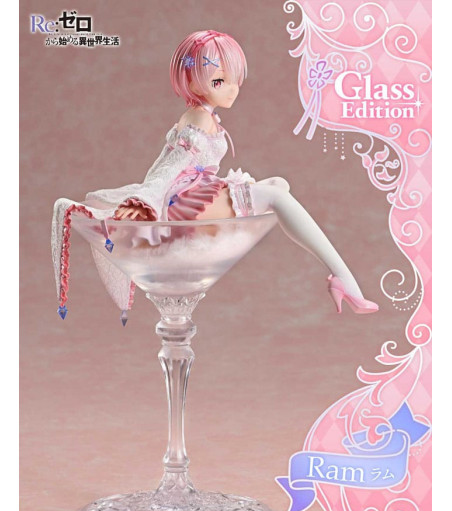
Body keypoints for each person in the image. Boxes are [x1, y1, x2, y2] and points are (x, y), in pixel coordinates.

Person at [51, 29, 378, 321]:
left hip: (197, 191)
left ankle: (341, 278)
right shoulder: (199, 118)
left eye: (235, 80)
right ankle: (344, 278)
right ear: (191, 81)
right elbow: (168, 166)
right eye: (219, 81)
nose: (232, 89)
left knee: (279, 185)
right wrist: (145, 199)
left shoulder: (204, 116)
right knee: (276, 196)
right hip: (188, 201)